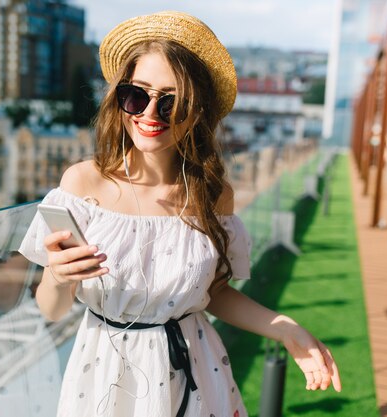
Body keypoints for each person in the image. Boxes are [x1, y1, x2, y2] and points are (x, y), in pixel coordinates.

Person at [18, 11, 341, 417]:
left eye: (172, 101)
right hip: (104, 377)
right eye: (137, 95)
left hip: (196, 369)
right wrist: (57, 274)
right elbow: (51, 309)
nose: (150, 114)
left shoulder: (212, 195)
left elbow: (216, 293)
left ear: (198, 111)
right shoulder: (83, 185)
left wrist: (287, 329)